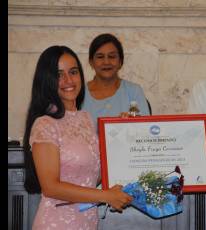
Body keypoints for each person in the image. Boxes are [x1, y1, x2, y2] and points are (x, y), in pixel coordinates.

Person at [22, 45, 133, 229]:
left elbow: (92, 177)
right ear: (47, 80)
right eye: (59, 75)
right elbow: (51, 187)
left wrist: (122, 133)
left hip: (87, 222)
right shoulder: (45, 124)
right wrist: (106, 196)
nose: (68, 80)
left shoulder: (86, 119)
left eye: (73, 72)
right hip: (56, 223)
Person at [82, 33, 150, 130]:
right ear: (91, 62)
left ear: (120, 62)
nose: (106, 62)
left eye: (112, 56)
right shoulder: (79, 93)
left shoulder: (133, 91)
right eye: (100, 57)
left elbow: (145, 130)